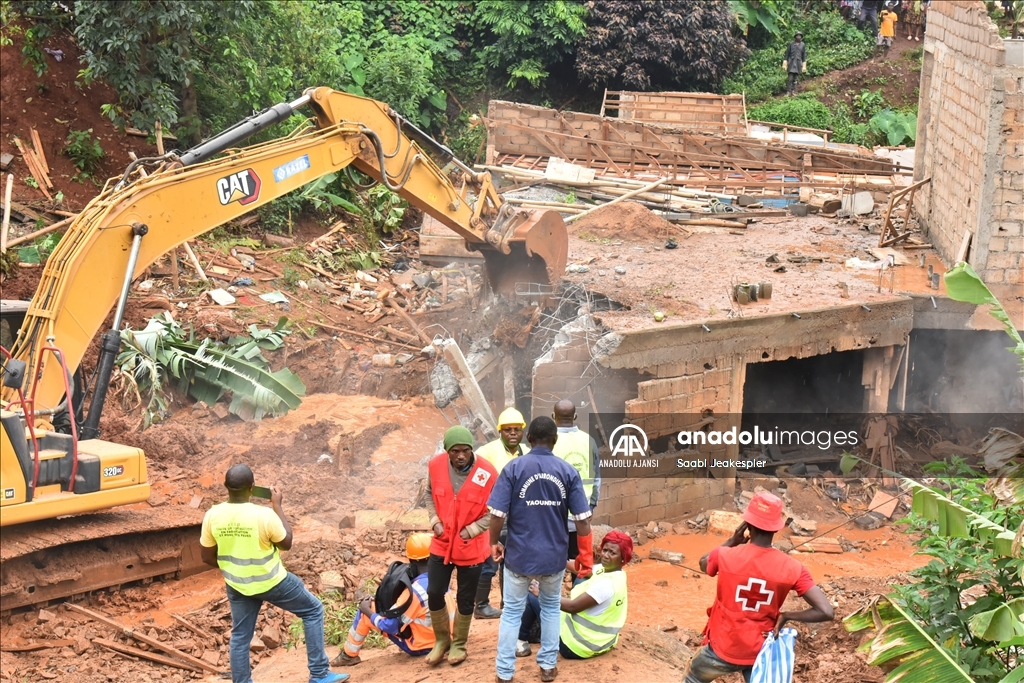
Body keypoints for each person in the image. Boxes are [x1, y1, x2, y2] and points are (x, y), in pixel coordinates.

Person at [199, 464, 347, 683]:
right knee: (313, 610)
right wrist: (277, 505)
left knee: (240, 637)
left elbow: (207, 557)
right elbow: (286, 543)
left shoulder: (213, 515)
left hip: (238, 584)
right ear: (252, 488)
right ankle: (319, 674)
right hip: (273, 581)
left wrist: (236, 570)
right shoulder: (264, 515)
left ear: (225, 487)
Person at [683, 492, 835, 683]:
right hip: (761, 651)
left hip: (723, 646)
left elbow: (704, 563)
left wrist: (732, 541)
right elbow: (826, 611)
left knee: (693, 676)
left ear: (747, 525)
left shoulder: (725, 555)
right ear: (776, 528)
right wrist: (786, 616)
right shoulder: (794, 568)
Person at [488, 416, 594, 683]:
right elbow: (582, 520)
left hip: (518, 556)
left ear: (528, 438)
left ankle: (504, 672)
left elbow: (497, 515)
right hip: (553, 558)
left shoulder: (513, 469)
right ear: (555, 441)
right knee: (550, 608)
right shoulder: (568, 471)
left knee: (511, 612)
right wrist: (584, 555)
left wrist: (493, 543)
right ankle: (547, 666)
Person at [423, 425, 497, 666]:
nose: (461, 456)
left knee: (466, 599)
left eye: (465, 450)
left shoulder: (487, 472)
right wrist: (434, 521)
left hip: (471, 545)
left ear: (471, 450)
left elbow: (495, 511)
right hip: (442, 542)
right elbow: (428, 493)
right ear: (447, 451)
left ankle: (459, 644)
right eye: (455, 451)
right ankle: (441, 640)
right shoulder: (435, 465)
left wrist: (472, 530)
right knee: (434, 592)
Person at [332, 532, 448, 666]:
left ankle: (348, 655)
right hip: (447, 639)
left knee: (367, 612)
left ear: (410, 560)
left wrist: (368, 612)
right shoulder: (442, 580)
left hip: (424, 646)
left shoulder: (415, 592)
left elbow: (391, 626)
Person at [515, 530, 632, 661]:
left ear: (623, 558)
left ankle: (520, 640)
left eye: (612, 553)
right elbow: (582, 569)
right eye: (605, 550)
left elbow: (572, 607)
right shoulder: (616, 574)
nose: (606, 555)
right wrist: (557, 559)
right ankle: (539, 630)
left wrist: (541, 593)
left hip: (575, 646)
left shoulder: (605, 585)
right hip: (603, 641)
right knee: (581, 578)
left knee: (533, 593)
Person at [473, 407, 529, 619]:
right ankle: (481, 606)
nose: (512, 433)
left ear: (523, 431)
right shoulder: (486, 453)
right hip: (493, 517)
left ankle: (508, 603)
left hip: (519, 518)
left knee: (512, 562)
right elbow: (475, 480)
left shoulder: (528, 451)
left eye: (516, 429)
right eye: (507, 429)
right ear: (500, 431)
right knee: (489, 562)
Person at [550, 400, 601, 574]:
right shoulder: (589, 441)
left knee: (552, 564)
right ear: (575, 417)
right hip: (582, 518)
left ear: (553, 417)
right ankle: (578, 598)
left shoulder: (550, 442)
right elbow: (596, 479)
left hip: (554, 517)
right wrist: (591, 506)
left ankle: (552, 600)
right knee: (580, 565)